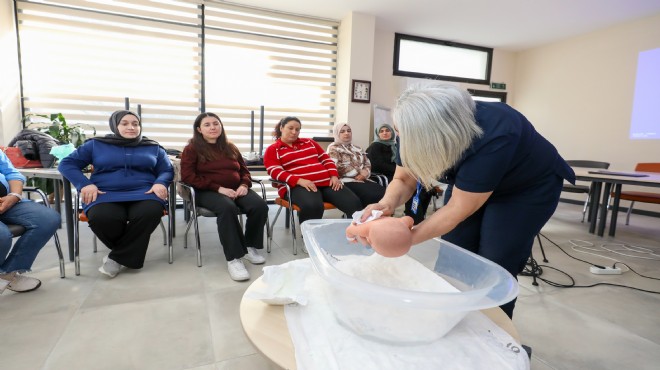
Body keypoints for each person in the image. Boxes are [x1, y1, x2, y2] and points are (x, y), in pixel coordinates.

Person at [355, 83, 575, 318]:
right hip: (469, 186)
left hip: (524, 189)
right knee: (454, 253)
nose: (398, 137)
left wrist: (402, 238)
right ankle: (450, 319)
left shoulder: (496, 130)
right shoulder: (408, 128)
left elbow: (459, 208)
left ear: (438, 136)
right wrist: (386, 204)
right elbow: (404, 178)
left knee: (496, 261)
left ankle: (493, 337)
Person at [59, 110, 173, 278]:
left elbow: (167, 170)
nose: (131, 127)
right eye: (125, 123)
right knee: (102, 217)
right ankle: (126, 255)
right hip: (104, 192)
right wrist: (85, 184)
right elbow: (66, 164)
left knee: (150, 212)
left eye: (135, 124)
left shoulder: (153, 146)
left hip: (144, 192)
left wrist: (160, 182)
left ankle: (116, 258)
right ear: (115, 125)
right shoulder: (95, 144)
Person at [180, 112, 269, 282]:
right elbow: (188, 177)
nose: (213, 127)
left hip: (236, 189)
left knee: (259, 206)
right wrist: (218, 188)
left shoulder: (230, 147)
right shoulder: (192, 149)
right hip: (207, 191)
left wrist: (244, 185)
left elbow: (244, 171)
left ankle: (249, 246)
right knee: (227, 207)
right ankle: (234, 258)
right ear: (199, 129)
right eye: (207, 125)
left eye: (216, 123)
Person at [263, 116, 362, 225]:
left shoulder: (309, 142)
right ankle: (309, 237)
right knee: (313, 206)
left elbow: (326, 160)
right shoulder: (273, 149)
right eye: (290, 128)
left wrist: (334, 176)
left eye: (297, 129)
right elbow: (275, 171)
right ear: (281, 128)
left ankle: (354, 233)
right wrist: (299, 181)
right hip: (298, 186)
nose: (294, 132)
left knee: (354, 203)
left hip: (326, 183)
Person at [0, 151, 60, 294]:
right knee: (2, 235)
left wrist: (14, 196)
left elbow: (12, 173)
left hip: (7, 201)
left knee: (48, 219)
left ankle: (7, 273)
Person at [366, 123, 433, 225]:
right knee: (413, 188)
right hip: (385, 176)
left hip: (398, 174)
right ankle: (413, 217)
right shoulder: (374, 146)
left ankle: (418, 215)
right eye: (381, 131)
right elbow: (379, 165)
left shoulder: (396, 144)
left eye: (387, 130)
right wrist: (400, 171)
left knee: (426, 188)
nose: (385, 133)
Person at [326, 122, 385, 208]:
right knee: (371, 195)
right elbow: (336, 167)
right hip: (345, 181)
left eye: (349, 131)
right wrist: (358, 172)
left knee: (383, 192)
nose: (346, 133)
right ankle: (362, 217)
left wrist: (364, 174)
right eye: (342, 131)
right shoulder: (333, 148)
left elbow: (367, 163)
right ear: (336, 133)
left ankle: (379, 218)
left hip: (362, 179)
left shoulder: (357, 148)